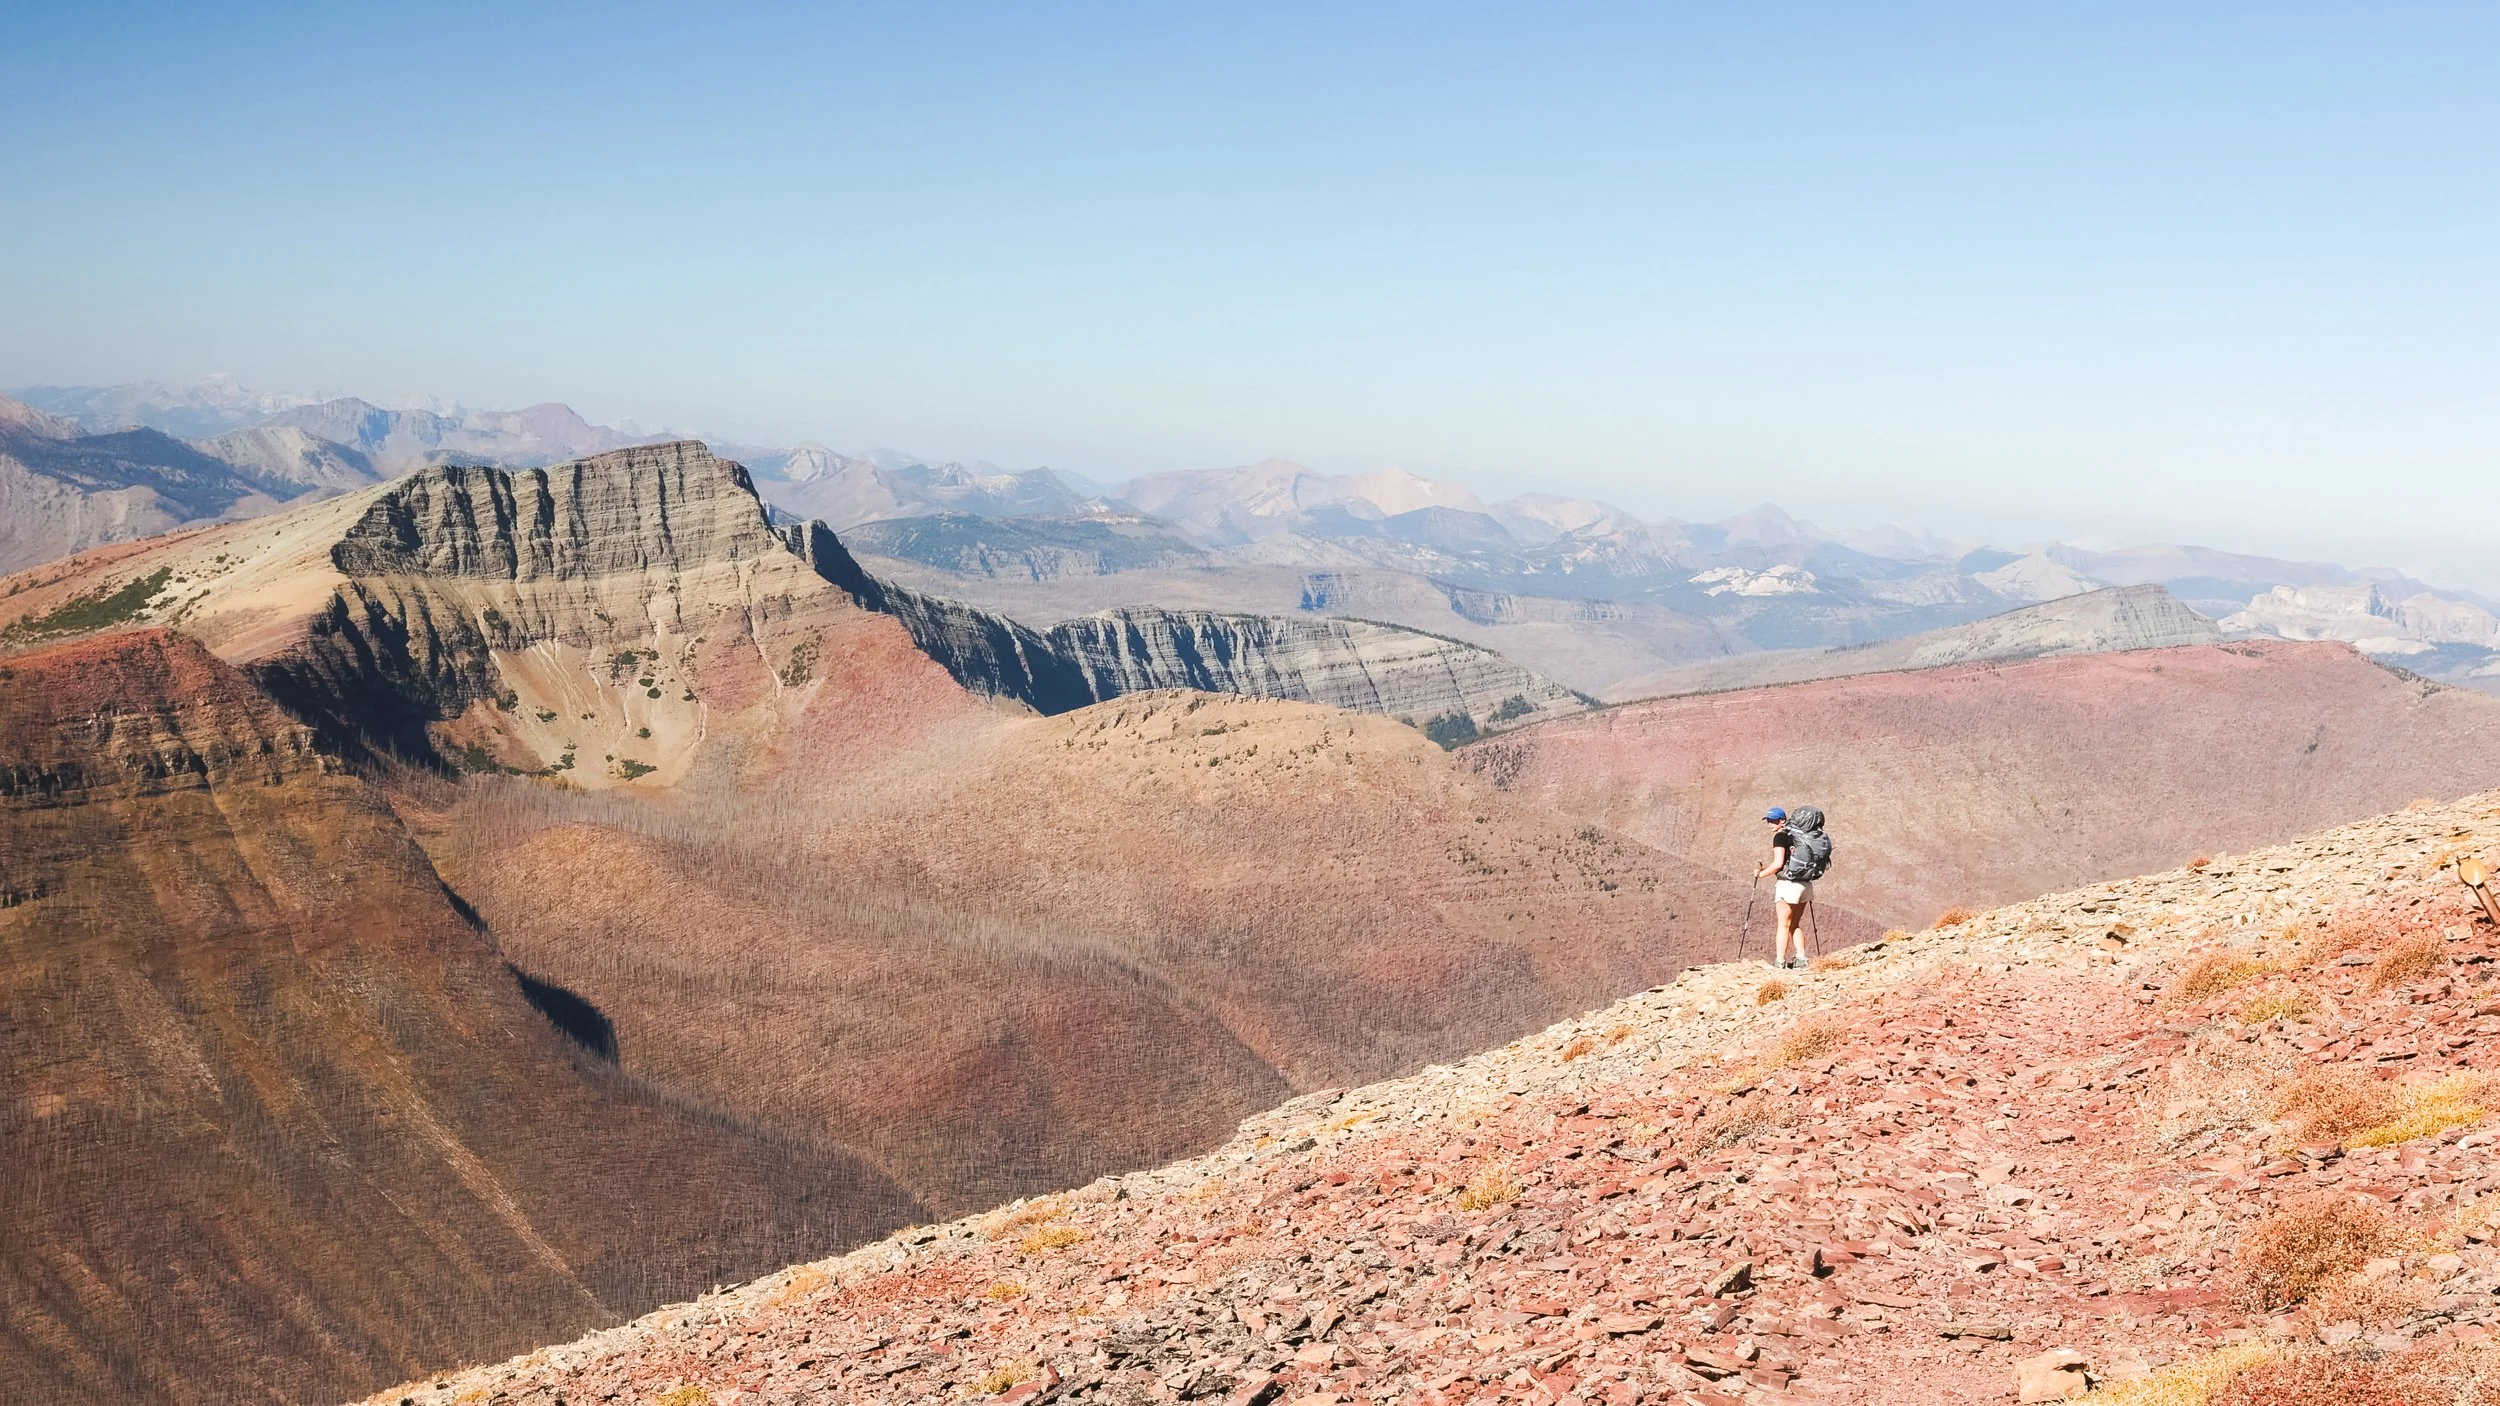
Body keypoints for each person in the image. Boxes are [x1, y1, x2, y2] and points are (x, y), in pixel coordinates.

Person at [1754, 807, 1814, 970]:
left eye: (1773, 820)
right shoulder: (1801, 835)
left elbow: (1778, 864)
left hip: (1788, 884)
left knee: (1783, 924)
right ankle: (1801, 958)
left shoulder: (1780, 837)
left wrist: (1760, 874)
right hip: (1805, 884)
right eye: (1768, 820)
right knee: (1795, 923)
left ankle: (1780, 961)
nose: (1769, 824)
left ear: (1782, 821)